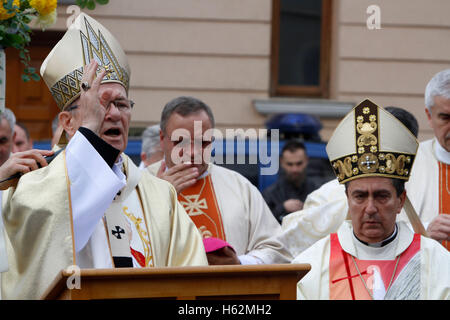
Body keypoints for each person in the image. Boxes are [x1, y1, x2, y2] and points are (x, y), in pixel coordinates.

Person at [1, 13, 207, 300]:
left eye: (121, 104)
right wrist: (88, 134)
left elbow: (192, 276)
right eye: (100, 104)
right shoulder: (35, 185)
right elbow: (32, 255)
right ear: (68, 123)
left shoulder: (160, 195)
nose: (113, 114)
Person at [292, 99, 449, 300]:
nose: (370, 208)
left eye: (381, 196)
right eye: (360, 196)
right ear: (348, 199)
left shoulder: (435, 260)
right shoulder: (312, 264)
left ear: (401, 200)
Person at [147, 96, 292, 265]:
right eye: (181, 141)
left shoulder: (239, 187)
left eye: (203, 142)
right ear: (162, 138)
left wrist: (238, 263)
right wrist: (157, 197)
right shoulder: (140, 184)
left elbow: (277, 250)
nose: (193, 152)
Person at [281, 106, 422, 257]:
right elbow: (294, 243)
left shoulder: (426, 181)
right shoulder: (325, 195)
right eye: (360, 196)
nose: (370, 208)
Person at [407, 69, 450, 249]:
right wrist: (425, 232)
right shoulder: (406, 165)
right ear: (429, 116)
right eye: (445, 118)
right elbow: (380, 231)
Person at [262, 139, 321, 223]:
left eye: (299, 163)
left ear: (306, 160)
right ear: (282, 162)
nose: (295, 169)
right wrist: (283, 208)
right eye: (290, 164)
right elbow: (262, 223)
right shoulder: (270, 194)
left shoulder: (317, 192)